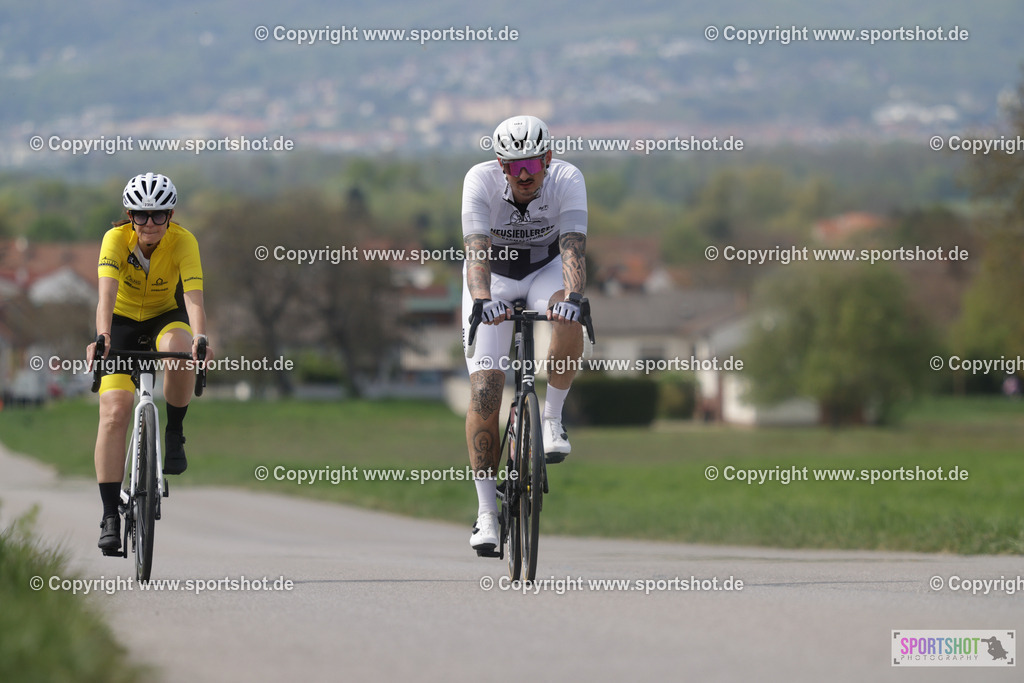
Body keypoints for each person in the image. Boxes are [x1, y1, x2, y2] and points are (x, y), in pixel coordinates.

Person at [461, 115, 588, 553]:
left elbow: (572, 247)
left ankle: (552, 418)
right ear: (500, 166)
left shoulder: (568, 178)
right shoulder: (477, 181)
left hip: (543, 270)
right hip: (493, 276)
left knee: (568, 315)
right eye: (516, 168)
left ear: (548, 158)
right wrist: (481, 300)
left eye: (534, 164)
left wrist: (572, 296)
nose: (527, 175)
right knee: (485, 391)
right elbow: (476, 250)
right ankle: (486, 515)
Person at [87, 172, 212, 555]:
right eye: (142, 215)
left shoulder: (183, 241)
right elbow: (105, 295)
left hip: (164, 316)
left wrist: (202, 338)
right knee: (114, 411)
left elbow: (193, 297)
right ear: (129, 214)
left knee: (180, 346)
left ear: (171, 214)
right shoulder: (115, 240)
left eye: (159, 215)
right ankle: (110, 514)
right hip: (120, 325)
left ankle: (174, 432)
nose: (151, 224)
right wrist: (103, 337)